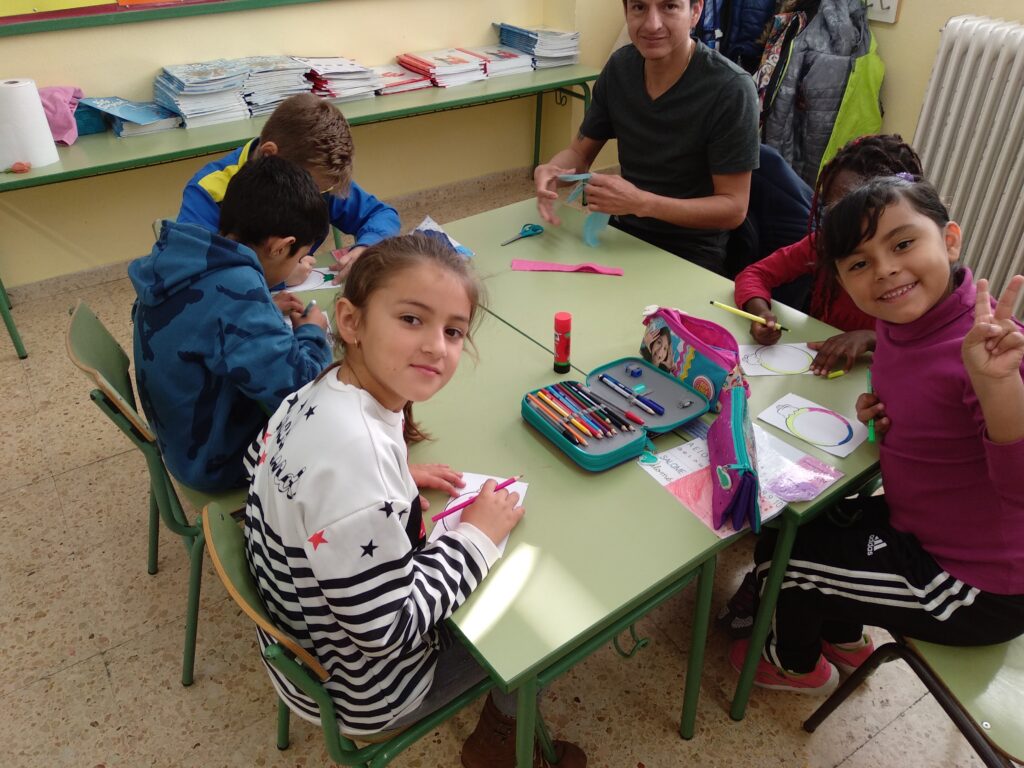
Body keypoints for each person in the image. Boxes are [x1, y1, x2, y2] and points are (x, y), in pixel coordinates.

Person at [243, 234, 587, 768]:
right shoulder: (361, 465)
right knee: (547, 620)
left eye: (453, 331)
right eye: (411, 319)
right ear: (351, 322)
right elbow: (388, 631)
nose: (436, 347)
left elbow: (258, 465)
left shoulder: (311, 394)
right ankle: (499, 742)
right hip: (371, 691)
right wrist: (476, 537)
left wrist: (396, 480)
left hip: (306, 649)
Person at [729, 176, 1024, 694]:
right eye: (859, 264)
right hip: (923, 526)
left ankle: (795, 666)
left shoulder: (991, 352)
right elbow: (933, 411)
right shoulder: (901, 323)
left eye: (903, 244)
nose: (885, 269)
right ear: (843, 282)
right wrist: (885, 417)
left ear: (950, 240)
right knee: (793, 522)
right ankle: (843, 637)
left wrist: (999, 386)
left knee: (787, 566)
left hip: (978, 587)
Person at [130, 155, 332, 493]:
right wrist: (313, 332)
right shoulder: (238, 291)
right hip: (214, 461)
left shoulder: (193, 252)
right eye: (298, 258)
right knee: (341, 427)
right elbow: (303, 392)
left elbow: (205, 317)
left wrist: (263, 306)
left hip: (181, 436)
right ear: (280, 247)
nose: (298, 265)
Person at [534, 0, 760, 275]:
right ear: (626, 11)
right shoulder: (619, 68)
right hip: (622, 234)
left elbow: (733, 208)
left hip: (691, 254)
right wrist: (552, 171)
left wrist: (642, 203)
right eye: (639, 7)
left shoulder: (731, 89)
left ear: (696, 12)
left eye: (669, 7)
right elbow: (579, 154)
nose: (652, 25)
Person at [733, 134, 924, 376]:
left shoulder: (914, 265)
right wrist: (760, 313)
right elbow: (755, 274)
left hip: (882, 378)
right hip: (818, 369)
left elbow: (934, 342)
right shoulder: (825, 243)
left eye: (855, 211)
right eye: (833, 211)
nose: (840, 224)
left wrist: (872, 339)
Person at [177, 93, 400, 286]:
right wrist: (275, 278)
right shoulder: (208, 191)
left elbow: (381, 214)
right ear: (268, 155)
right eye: (313, 188)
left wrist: (366, 248)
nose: (315, 194)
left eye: (322, 191)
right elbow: (194, 275)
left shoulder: (319, 178)